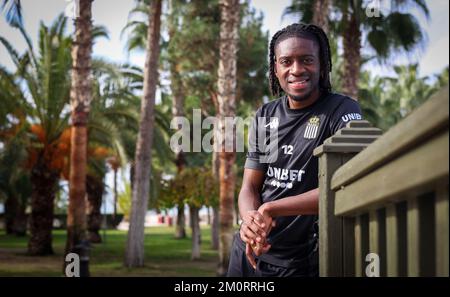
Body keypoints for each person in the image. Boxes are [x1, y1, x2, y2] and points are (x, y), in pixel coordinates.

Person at [227, 23, 362, 277]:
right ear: (275, 68)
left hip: (299, 263)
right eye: (286, 61)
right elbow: (250, 187)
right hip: (249, 253)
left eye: (307, 60)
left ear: (323, 64)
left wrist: (272, 208)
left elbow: (347, 185)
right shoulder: (265, 114)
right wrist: (250, 221)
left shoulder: (342, 110)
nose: (296, 69)